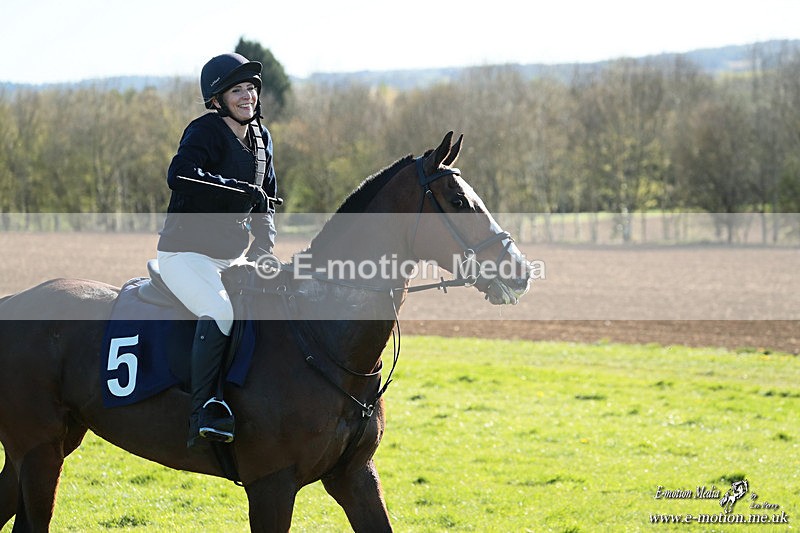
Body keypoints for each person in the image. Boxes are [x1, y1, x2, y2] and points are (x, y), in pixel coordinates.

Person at [156, 53, 278, 448]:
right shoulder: (203, 132)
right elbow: (179, 175)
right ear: (217, 99)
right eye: (238, 90)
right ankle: (203, 410)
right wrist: (240, 190)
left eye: (252, 89)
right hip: (185, 255)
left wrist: (264, 249)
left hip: (232, 258)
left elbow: (266, 203)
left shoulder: (262, 139)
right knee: (219, 310)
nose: (249, 97)